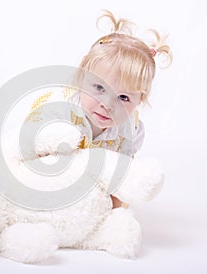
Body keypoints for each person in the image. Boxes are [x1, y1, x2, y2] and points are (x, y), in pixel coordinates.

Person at [16, 10, 172, 208]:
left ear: (140, 100)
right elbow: (34, 157)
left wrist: (114, 205)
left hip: (89, 184)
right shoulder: (59, 114)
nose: (107, 105)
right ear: (82, 78)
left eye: (123, 97)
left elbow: (122, 172)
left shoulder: (130, 129)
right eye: (99, 88)